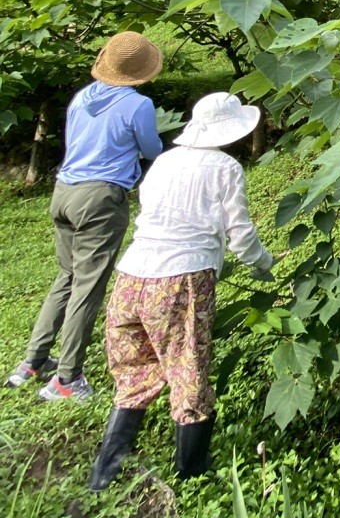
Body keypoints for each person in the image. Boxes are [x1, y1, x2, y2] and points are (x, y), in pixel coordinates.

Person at [89, 91, 274, 490]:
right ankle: (191, 475)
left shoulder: (163, 162)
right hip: (180, 279)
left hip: (131, 277)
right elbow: (239, 233)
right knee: (189, 369)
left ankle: (103, 475)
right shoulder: (225, 167)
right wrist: (264, 263)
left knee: (133, 374)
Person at [6, 31, 164, 400]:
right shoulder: (137, 105)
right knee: (88, 288)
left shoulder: (82, 98)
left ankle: (31, 361)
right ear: (140, 72)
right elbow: (152, 148)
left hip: (64, 191)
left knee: (66, 276)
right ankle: (66, 379)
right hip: (99, 198)